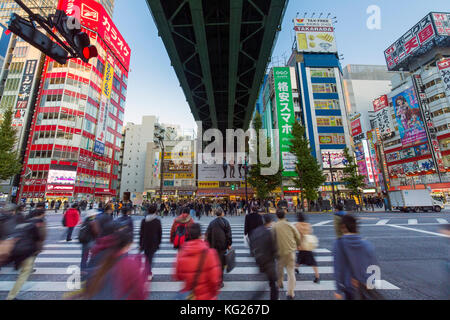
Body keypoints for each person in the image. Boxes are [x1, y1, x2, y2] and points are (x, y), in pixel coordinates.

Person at [77, 219, 149, 300]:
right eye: (120, 231)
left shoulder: (99, 250)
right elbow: (140, 292)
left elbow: (91, 278)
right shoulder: (127, 262)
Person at [333, 214, 379, 300]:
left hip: (349, 287)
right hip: (364, 287)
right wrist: (370, 283)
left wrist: (338, 290)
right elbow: (374, 265)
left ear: (343, 227)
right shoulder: (366, 244)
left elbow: (338, 268)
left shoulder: (339, 244)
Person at [6, 205, 47, 300]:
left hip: (16, 249)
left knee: (22, 270)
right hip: (27, 251)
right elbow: (39, 238)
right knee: (24, 274)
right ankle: (11, 297)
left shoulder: (24, 222)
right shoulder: (36, 224)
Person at [174, 223, 222, 300]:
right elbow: (214, 280)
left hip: (191, 294)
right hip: (206, 295)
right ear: (200, 235)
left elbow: (178, 276)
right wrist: (214, 293)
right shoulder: (210, 253)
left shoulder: (181, 253)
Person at [272, 209, 301, 300]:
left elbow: (272, 239)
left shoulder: (275, 226)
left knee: (279, 270)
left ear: (277, 216)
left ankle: (280, 284)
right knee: (291, 272)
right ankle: (290, 293)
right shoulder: (290, 225)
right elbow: (298, 236)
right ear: (285, 215)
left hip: (280, 252)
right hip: (291, 251)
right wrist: (297, 244)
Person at [249, 214, 278, 300]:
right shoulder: (268, 233)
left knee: (267, 282)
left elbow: (251, 246)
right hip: (269, 262)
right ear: (269, 222)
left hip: (259, 261)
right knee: (272, 284)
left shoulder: (254, 232)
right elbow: (274, 248)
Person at [205, 208, 232, 288]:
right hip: (222, 246)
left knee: (214, 264)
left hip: (213, 246)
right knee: (221, 264)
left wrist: (208, 244)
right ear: (222, 213)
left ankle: (213, 279)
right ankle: (219, 282)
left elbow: (208, 234)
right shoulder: (225, 222)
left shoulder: (212, 223)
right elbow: (228, 235)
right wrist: (229, 244)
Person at [294, 212, 320, 283]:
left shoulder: (297, 225)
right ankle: (317, 276)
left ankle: (296, 268)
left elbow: (295, 236)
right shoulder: (308, 225)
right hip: (308, 245)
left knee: (300, 258)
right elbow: (310, 232)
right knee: (311, 261)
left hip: (301, 245)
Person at [139, 204, 162, 281]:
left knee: (147, 257)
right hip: (153, 242)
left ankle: (147, 271)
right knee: (150, 258)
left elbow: (141, 233)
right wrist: (159, 243)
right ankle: (148, 273)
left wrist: (140, 243)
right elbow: (159, 233)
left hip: (145, 241)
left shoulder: (144, 220)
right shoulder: (157, 221)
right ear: (155, 211)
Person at [79, 209, 100, 279]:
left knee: (84, 257)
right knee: (94, 256)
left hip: (84, 242)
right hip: (90, 241)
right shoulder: (93, 221)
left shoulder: (85, 221)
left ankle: (82, 271)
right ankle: (90, 271)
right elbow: (96, 232)